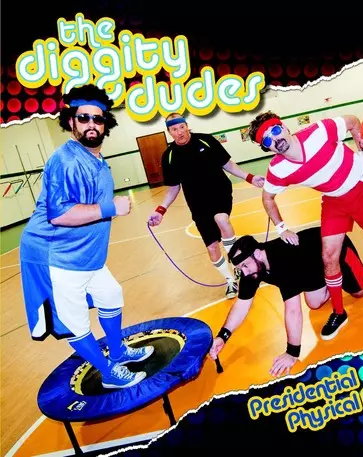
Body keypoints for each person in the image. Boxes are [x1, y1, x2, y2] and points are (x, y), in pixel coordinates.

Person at [19, 84, 154, 390]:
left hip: (85, 255)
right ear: (71, 121)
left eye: (98, 118)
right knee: (74, 320)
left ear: (105, 124)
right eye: (84, 118)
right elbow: (59, 215)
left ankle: (117, 352)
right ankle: (108, 373)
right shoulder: (66, 160)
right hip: (56, 255)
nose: (91, 124)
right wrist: (111, 208)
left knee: (111, 295)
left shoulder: (96, 159)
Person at [247, 111, 363, 340]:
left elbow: (353, 121)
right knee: (329, 256)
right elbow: (267, 198)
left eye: (276, 130)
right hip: (333, 200)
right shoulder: (278, 169)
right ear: (267, 148)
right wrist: (282, 228)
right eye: (267, 139)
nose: (275, 139)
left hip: (361, 187)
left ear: (285, 127)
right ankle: (339, 312)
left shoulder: (319, 132)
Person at [209, 226, 363, 377]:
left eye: (245, 266)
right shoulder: (252, 269)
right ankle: (331, 279)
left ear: (258, 253)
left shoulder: (282, 260)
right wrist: (223, 337)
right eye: (240, 269)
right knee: (314, 303)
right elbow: (241, 305)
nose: (244, 273)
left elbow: (293, 310)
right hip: (313, 265)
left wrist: (292, 353)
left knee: (359, 291)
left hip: (334, 247)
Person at [148, 113, 265, 299]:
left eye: (181, 127)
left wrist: (249, 177)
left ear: (187, 126)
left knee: (221, 219)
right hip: (197, 203)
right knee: (212, 248)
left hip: (220, 192)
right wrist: (160, 210)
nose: (179, 132)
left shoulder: (206, 141)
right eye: (174, 129)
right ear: (169, 132)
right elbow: (173, 188)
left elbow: (228, 165)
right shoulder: (169, 156)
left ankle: (238, 262)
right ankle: (230, 281)